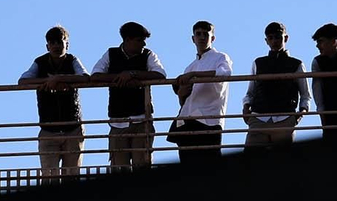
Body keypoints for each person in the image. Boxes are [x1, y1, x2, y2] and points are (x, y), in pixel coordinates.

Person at [90, 21, 167, 170]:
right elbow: (95, 75)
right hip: (118, 120)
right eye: (139, 40)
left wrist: (132, 74)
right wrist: (120, 77)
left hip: (142, 119)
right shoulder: (111, 54)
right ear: (127, 40)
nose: (143, 44)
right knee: (119, 169)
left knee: (142, 167)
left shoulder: (148, 54)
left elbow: (160, 74)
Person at [18, 25, 88, 179]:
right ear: (47, 46)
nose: (56, 46)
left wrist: (60, 79)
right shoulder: (40, 62)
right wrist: (48, 81)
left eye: (60, 42)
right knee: (49, 178)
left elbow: (85, 77)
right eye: (52, 42)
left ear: (67, 45)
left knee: (72, 176)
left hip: (72, 128)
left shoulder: (72, 60)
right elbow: (23, 81)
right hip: (49, 129)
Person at [170, 21, 233, 166]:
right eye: (198, 34)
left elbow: (225, 74)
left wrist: (194, 75)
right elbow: (184, 101)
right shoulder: (189, 67)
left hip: (208, 120)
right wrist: (181, 93)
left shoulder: (221, 57)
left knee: (210, 167)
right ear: (193, 38)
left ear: (213, 38)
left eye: (206, 34)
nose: (202, 37)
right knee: (186, 167)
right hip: (186, 120)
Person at [241, 21, 310, 149]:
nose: (274, 41)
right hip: (258, 118)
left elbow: (305, 94)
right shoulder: (258, 63)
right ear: (266, 40)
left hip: (285, 118)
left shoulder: (296, 64)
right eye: (270, 38)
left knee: (282, 165)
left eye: (278, 37)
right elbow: (251, 91)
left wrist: (300, 114)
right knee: (251, 163)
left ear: (286, 38)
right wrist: (246, 107)